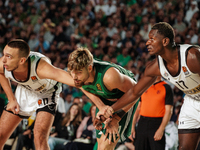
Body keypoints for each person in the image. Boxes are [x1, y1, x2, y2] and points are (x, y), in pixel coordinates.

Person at [100, 22, 200, 150]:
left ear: (165, 41)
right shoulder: (155, 67)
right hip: (191, 101)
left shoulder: (192, 56)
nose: (147, 42)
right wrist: (110, 111)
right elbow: (134, 92)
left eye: (152, 39)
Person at [0, 39, 105, 150]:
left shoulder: (43, 69)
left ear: (22, 60)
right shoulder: (3, 63)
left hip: (47, 93)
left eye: (9, 56)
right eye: (4, 54)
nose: (4, 60)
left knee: (39, 137)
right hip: (26, 89)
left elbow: (78, 83)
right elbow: (1, 72)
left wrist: (101, 105)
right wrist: (11, 99)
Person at [67, 47, 138, 150]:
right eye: (72, 72)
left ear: (90, 68)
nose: (74, 77)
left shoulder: (109, 76)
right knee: (100, 145)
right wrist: (101, 106)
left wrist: (116, 118)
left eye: (78, 72)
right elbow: (82, 87)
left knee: (106, 144)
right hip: (105, 98)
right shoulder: (78, 76)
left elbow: (136, 91)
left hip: (124, 99)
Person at [132, 76, 173, 150]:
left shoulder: (166, 87)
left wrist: (161, 129)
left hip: (157, 124)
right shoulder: (144, 86)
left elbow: (169, 111)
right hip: (142, 123)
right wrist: (132, 126)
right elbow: (137, 108)